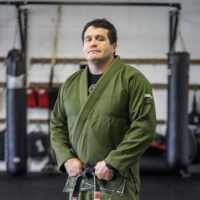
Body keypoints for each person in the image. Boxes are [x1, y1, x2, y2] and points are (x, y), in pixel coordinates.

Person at [50, 18, 156, 200]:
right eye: (88, 39)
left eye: (100, 39)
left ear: (114, 46)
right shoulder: (71, 84)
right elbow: (57, 125)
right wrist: (66, 158)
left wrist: (113, 163)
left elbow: (144, 128)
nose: (93, 43)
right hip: (80, 180)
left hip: (117, 180)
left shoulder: (132, 80)